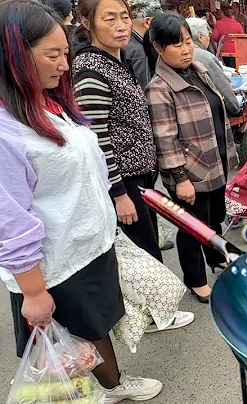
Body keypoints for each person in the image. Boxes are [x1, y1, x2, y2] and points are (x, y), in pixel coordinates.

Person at [0, 1, 163, 402]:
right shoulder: (7, 130)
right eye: (52, 55)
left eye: (65, 53)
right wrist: (34, 293)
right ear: (15, 56)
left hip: (87, 244)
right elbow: (10, 219)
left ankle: (112, 387)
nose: (64, 65)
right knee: (66, 349)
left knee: (95, 328)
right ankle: (93, 393)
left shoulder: (47, 101)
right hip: (52, 265)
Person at [146, 12, 239, 303]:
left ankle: (216, 259)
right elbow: (165, 139)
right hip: (189, 172)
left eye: (188, 41)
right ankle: (196, 279)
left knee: (213, 218)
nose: (186, 49)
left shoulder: (199, 69)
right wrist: (180, 178)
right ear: (159, 48)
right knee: (191, 228)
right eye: (177, 45)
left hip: (214, 161)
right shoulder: (159, 89)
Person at [73, 0, 163, 263]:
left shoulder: (117, 60)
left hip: (141, 178)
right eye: (110, 19)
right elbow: (98, 140)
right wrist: (120, 194)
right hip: (124, 182)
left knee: (149, 253)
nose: (121, 26)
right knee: (145, 262)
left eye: (124, 17)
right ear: (87, 23)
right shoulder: (91, 71)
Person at [186, 17, 242, 116]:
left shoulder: (179, 54)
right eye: (208, 34)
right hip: (207, 111)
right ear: (200, 37)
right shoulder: (205, 57)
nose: (209, 38)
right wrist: (235, 108)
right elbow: (223, 87)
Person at [126, 0, 162, 89]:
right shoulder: (140, 52)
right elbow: (145, 89)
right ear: (147, 22)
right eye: (159, 21)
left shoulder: (124, 43)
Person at [212, 2, 246, 67]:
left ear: (222, 12)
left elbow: (214, 37)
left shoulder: (219, 23)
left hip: (223, 53)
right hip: (236, 53)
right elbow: (242, 39)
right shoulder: (238, 25)